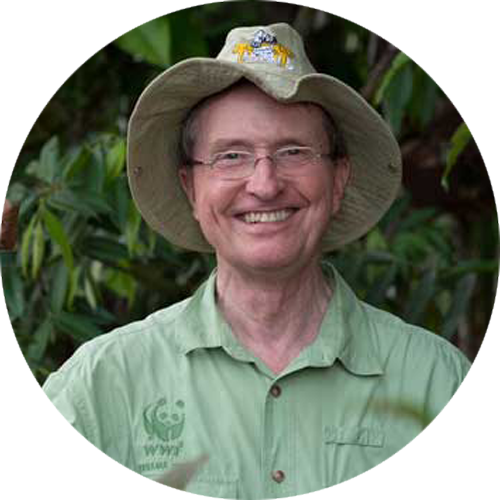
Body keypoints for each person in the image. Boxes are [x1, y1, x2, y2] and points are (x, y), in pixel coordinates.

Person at [41, 23, 471, 498]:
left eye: (293, 151)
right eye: (231, 156)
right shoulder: (104, 385)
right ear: (191, 187)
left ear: (338, 180)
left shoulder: (437, 382)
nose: (264, 184)